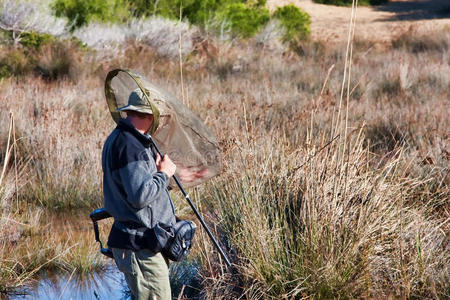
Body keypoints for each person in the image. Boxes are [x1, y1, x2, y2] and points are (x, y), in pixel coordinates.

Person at [102, 88, 177, 300]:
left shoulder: (127, 139)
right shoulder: (129, 145)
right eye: (158, 116)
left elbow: (137, 188)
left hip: (140, 245)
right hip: (139, 248)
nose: (160, 122)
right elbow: (139, 196)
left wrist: (159, 174)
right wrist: (164, 174)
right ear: (151, 115)